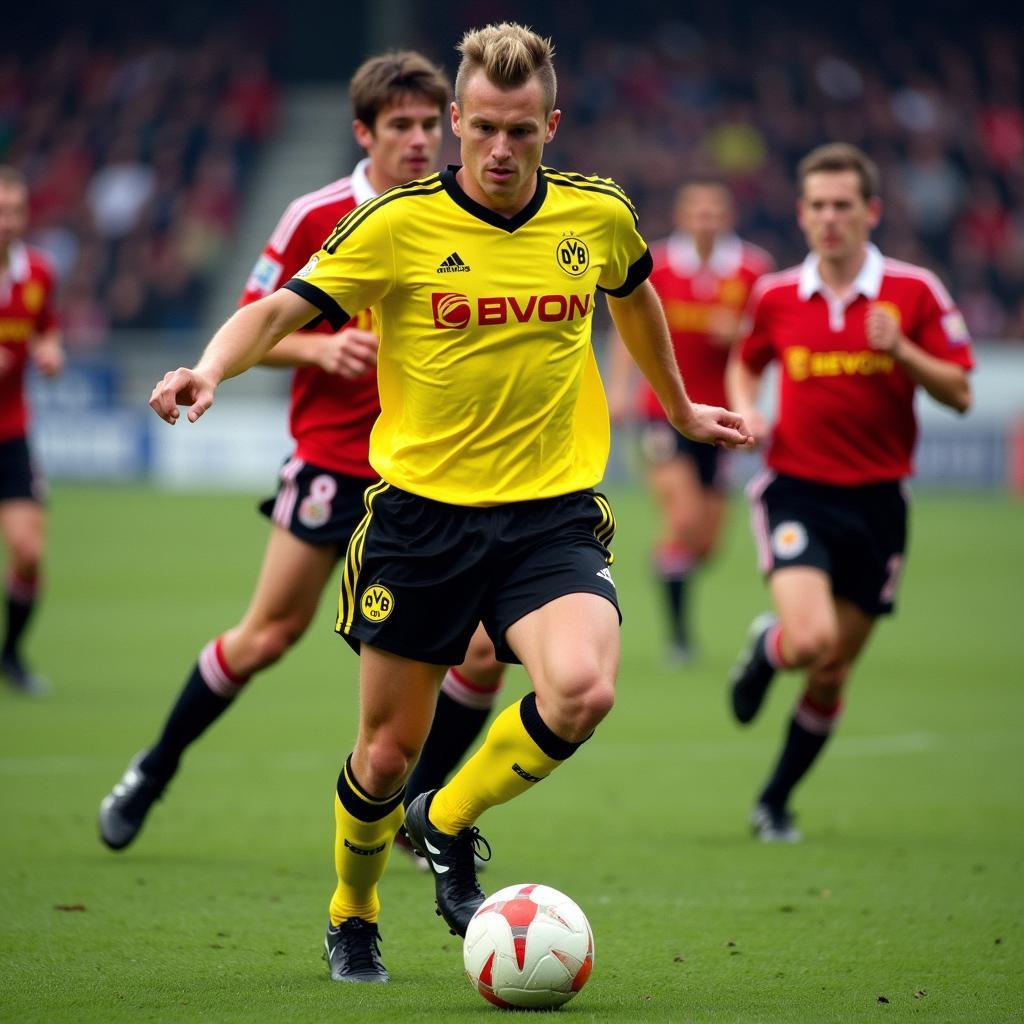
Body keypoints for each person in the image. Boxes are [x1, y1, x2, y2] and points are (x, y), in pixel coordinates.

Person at [148, 22, 753, 984]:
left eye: (522, 130)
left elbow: (634, 296)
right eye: (483, 130)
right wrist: (210, 366)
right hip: (421, 521)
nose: (502, 150)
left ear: (551, 124)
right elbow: (277, 309)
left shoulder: (597, 215)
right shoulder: (397, 225)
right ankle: (353, 912)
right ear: (459, 124)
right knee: (385, 753)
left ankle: (445, 817)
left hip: (550, 513)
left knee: (584, 688)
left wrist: (678, 408)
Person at [98, 51, 506, 854]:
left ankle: (422, 815)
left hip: (436, 477)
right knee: (270, 633)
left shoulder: (461, 211)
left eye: (431, 123)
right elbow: (257, 321)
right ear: (364, 132)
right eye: (401, 126)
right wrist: (317, 354)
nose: (421, 140)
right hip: (336, 463)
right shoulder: (316, 215)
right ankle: (153, 767)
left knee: (485, 652)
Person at [725, 142, 973, 843]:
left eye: (844, 206)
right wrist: (749, 409)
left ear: (872, 212)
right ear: (801, 216)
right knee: (810, 640)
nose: (831, 219)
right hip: (798, 490)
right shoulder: (775, 295)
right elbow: (746, 367)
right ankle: (771, 646)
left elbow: (958, 392)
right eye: (819, 207)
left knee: (831, 673)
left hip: (880, 504)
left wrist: (904, 351)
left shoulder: (915, 292)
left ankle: (773, 801)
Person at [608, 179, 772, 661]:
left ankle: (668, 566)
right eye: (696, 211)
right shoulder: (655, 263)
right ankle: (679, 641)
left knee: (706, 541)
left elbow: (766, 341)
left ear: (728, 218)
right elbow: (628, 325)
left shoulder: (752, 269)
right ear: (681, 216)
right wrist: (620, 387)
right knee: (682, 519)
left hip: (722, 417)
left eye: (713, 211)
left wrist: (740, 333)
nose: (705, 220)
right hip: (664, 412)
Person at [0, 165, 65, 697]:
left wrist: (49, 351)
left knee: (28, 552)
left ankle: (11, 655)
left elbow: (47, 329)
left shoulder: (39, 273)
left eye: (16, 210)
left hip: (12, 433)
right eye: (0, 211)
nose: (8, 221)